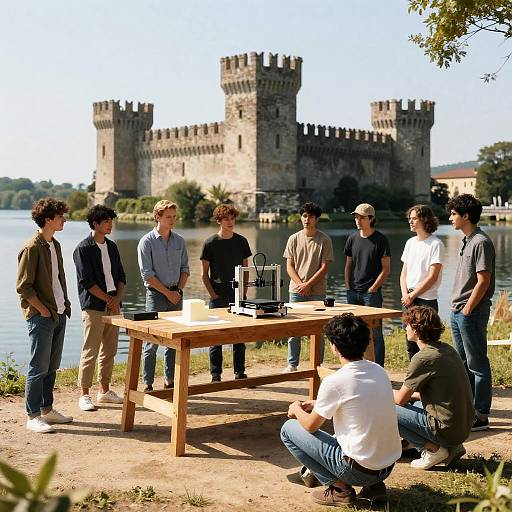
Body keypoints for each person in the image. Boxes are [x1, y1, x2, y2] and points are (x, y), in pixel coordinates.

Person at [281, 313, 401, 507]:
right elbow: (358, 399)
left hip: (359, 469)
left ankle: (340, 490)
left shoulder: (335, 381)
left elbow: (311, 426)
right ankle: (374, 487)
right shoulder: (379, 371)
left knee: (288, 429)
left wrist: (296, 409)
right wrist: (317, 403)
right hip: (387, 466)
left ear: (334, 347)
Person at [16, 198, 73, 433]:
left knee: (51, 366)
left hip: (58, 313)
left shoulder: (55, 245)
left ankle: (47, 410)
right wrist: (42, 310)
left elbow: (58, 279)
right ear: (48, 219)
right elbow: (23, 286)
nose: (64, 220)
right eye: (61, 216)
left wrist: (64, 305)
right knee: (37, 367)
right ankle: (33, 415)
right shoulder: (31, 248)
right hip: (42, 316)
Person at [394, 306, 474, 470]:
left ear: (416, 329)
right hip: (462, 426)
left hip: (448, 429)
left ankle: (433, 449)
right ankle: (451, 447)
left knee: (385, 408)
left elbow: (399, 400)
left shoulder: (423, 358)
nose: (406, 328)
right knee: (412, 404)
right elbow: (439, 394)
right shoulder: (447, 349)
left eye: (408, 324)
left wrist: (380, 391)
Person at [448, 194, 495, 431]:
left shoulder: (480, 242)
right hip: (458, 311)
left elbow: (483, 281)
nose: (450, 218)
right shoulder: (468, 240)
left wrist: (467, 309)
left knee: (477, 363)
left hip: (470, 313)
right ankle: (469, 409)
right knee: (464, 363)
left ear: (465, 216)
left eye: (454, 214)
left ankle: (482, 415)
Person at [73, 205, 126, 411]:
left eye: (111, 221)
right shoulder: (82, 249)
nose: (110, 225)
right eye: (106, 222)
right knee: (90, 350)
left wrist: (117, 299)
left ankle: (104, 391)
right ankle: (84, 395)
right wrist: (107, 299)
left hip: (114, 304)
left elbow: (121, 276)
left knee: (110, 351)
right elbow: (86, 281)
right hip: (94, 307)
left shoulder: (112, 246)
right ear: (95, 224)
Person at [137, 200, 189, 391]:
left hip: (177, 294)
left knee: (174, 342)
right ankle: (148, 383)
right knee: (151, 342)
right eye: (168, 217)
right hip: (156, 296)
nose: (172, 220)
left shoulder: (180, 241)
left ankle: (170, 381)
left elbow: (185, 269)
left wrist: (178, 292)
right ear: (157, 217)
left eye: (174, 217)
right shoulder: (146, 242)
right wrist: (168, 293)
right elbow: (147, 275)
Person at [200, 204, 252, 382]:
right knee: (216, 337)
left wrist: (243, 293)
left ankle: (240, 372)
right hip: (217, 297)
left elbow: (246, 270)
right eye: (226, 219)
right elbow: (203, 274)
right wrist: (213, 295)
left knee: (239, 336)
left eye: (232, 218)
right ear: (219, 221)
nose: (230, 222)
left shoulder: (242, 241)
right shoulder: (210, 243)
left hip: (238, 296)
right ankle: (216, 374)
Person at [282, 202, 334, 372]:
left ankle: (317, 364)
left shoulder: (324, 239)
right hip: (296, 291)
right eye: (304, 216)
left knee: (319, 330)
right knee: (293, 329)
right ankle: (292, 364)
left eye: (310, 217)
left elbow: (324, 267)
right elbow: (289, 266)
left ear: (316, 219)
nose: (307, 219)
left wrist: (308, 284)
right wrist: (300, 284)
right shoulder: (293, 239)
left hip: (317, 291)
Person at [344, 203, 390, 367]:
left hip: (371, 295)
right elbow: (348, 264)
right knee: (353, 332)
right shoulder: (352, 238)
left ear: (371, 219)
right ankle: (357, 367)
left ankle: (379, 370)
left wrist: (373, 289)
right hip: (353, 292)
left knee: (376, 334)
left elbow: (386, 270)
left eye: (362, 217)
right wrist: (348, 286)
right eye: (356, 217)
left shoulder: (380, 240)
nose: (358, 220)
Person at [400, 205, 445, 360]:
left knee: (428, 345)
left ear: (424, 220)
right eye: (409, 219)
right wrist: (406, 294)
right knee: (410, 344)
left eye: (414, 218)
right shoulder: (410, 243)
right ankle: (414, 380)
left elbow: (432, 277)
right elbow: (403, 273)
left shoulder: (436, 244)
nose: (410, 222)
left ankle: (431, 380)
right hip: (409, 299)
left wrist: (412, 295)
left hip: (426, 300)